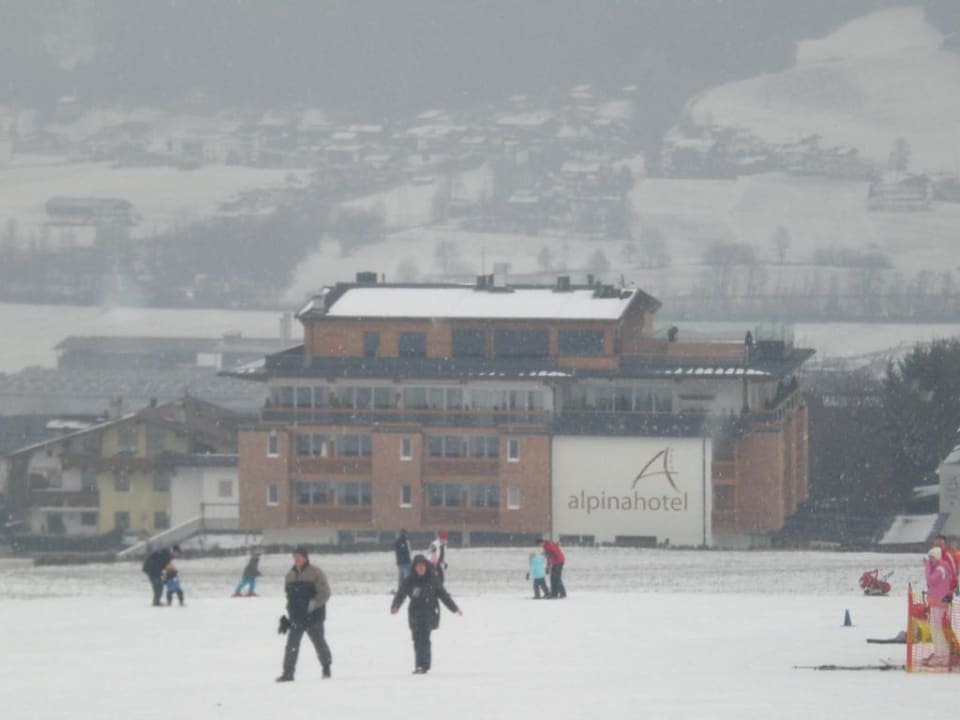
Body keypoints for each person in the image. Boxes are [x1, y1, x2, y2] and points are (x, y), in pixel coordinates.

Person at [391, 554, 462, 674]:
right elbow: (401, 594)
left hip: (429, 613)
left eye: (422, 566)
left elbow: (443, 595)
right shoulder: (410, 580)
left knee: (424, 639)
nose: (421, 569)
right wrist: (395, 606)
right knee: (416, 639)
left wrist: (454, 608)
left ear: (426, 567)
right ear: (414, 568)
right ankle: (421, 664)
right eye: (418, 567)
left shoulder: (432, 580)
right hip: (414, 614)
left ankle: (422, 665)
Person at [276, 547, 332, 682]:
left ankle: (326, 666)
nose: (296, 559)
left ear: (305, 558)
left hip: (314, 617)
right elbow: (289, 597)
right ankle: (288, 673)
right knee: (291, 645)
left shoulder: (315, 572)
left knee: (319, 643)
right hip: (296, 618)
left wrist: (311, 606)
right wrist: (287, 617)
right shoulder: (289, 575)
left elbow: (325, 593)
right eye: (294, 557)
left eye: (299, 557)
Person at [924, 546, 955, 667]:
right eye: (929, 557)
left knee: (937, 629)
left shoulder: (940, 569)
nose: (929, 560)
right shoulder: (940, 568)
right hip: (937, 602)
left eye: (931, 557)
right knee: (936, 629)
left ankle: (941, 656)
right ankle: (941, 655)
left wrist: (927, 568)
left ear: (937, 557)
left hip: (939, 603)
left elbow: (931, 580)